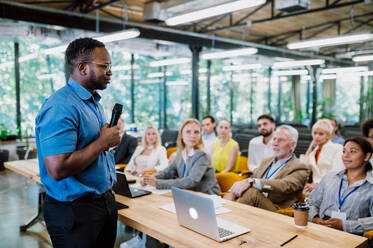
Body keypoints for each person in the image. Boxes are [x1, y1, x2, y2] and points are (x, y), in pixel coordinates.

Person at [35, 38, 120, 247]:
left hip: (103, 202)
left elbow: (94, 148)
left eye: (110, 66)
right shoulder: (61, 106)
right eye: (104, 66)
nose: (110, 72)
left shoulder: (93, 103)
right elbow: (58, 168)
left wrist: (105, 142)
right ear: (82, 67)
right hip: (75, 210)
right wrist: (102, 142)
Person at [224, 125, 310, 212]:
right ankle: (226, 212)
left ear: (293, 145)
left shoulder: (300, 167)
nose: (275, 143)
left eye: (281, 140)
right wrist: (232, 191)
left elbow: (284, 185)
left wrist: (253, 182)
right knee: (238, 188)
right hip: (253, 202)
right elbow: (253, 177)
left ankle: (229, 215)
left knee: (252, 192)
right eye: (274, 139)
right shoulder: (266, 161)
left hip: (275, 208)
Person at [308, 137, 373, 235]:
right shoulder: (330, 177)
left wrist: (344, 225)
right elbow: (311, 202)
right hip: (320, 228)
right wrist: (315, 218)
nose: (346, 156)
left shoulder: (370, 186)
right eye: (344, 151)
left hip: (350, 235)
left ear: (366, 156)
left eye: (353, 151)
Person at [140, 119, 221, 195]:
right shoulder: (181, 153)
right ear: (181, 135)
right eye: (188, 132)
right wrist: (149, 178)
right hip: (189, 194)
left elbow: (190, 181)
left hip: (208, 196)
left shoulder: (202, 155)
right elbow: (168, 172)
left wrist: (157, 183)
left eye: (196, 132)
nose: (192, 135)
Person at [300, 119, 345, 193]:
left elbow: (337, 173)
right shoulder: (314, 151)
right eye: (315, 133)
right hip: (314, 190)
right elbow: (302, 169)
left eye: (321, 134)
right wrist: (309, 149)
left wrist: (318, 184)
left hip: (331, 189)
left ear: (328, 136)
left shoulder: (337, 148)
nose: (316, 136)